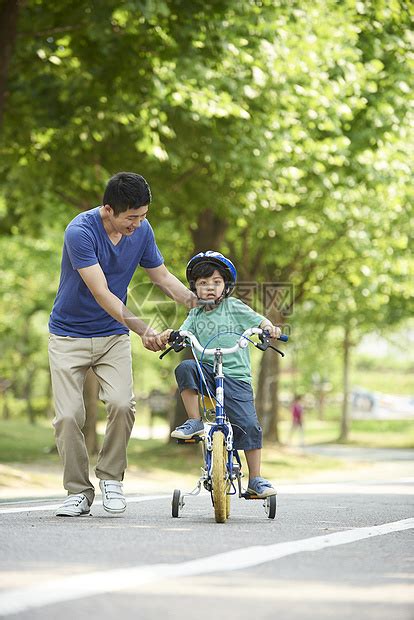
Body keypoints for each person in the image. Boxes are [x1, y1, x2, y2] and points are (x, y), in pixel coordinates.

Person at [48, 172, 195, 517]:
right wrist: (143, 329)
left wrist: (196, 301)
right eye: (131, 217)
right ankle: (78, 491)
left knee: (121, 403)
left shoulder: (141, 231)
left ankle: (111, 479)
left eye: (143, 215)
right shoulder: (80, 232)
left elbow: (160, 276)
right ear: (108, 209)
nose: (138, 224)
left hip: (111, 336)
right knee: (68, 417)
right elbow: (101, 292)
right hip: (68, 335)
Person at [168, 251, 281, 499]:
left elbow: (258, 320)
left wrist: (268, 328)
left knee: (249, 426)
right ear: (194, 288)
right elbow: (183, 332)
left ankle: (255, 479)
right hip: (208, 373)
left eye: (216, 282)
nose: (210, 288)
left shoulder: (234, 306)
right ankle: (195, 421)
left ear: (226, 286)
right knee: (185, 367)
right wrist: (174, 335)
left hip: (236, 377)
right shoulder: (195, 313)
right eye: (203, 283)